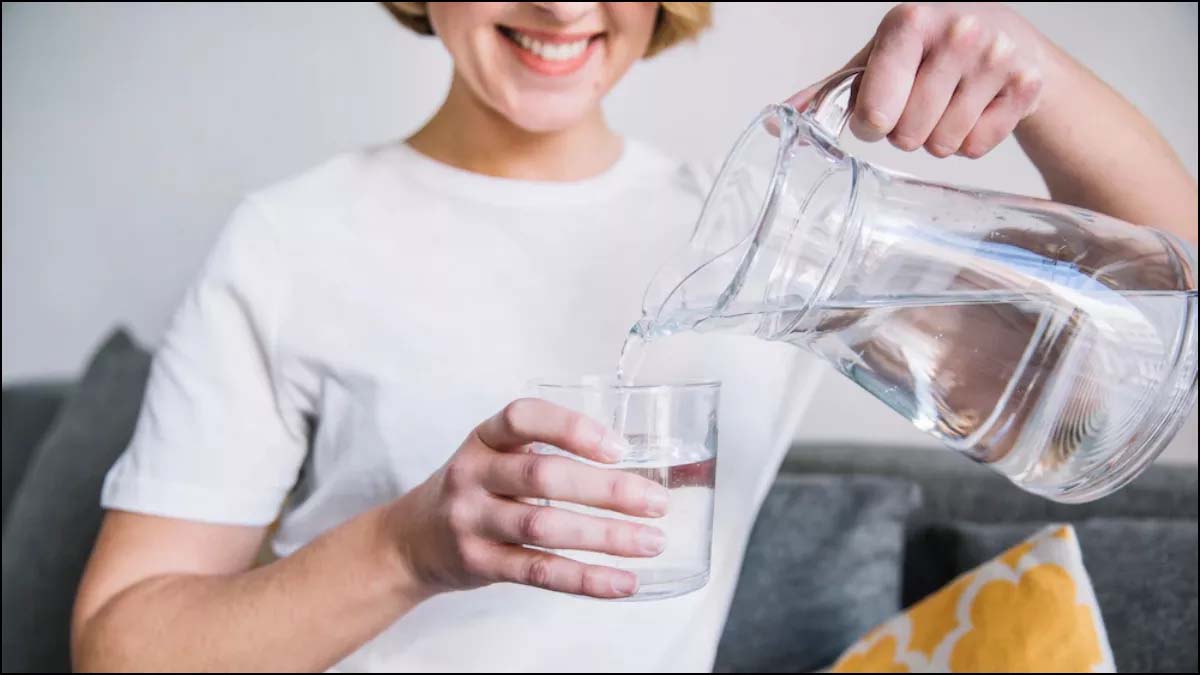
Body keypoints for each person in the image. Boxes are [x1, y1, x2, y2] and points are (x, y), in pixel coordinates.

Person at [72, 2, 1198, 672]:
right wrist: (409, 547)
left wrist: (1034, 72)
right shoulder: (291, 239)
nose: (564, 6)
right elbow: (121, 648)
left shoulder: (760, 248)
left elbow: (1163, 327)